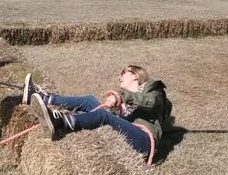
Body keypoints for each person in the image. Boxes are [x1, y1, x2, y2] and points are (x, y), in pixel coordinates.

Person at [22, 65, 172, 157]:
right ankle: (44, 98)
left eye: (123, 73)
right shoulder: (124, 105)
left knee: (101, 115)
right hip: (129, 133)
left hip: (144, 141)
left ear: (135, 75)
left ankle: (59, 122)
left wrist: (121, 96)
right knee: (90, 100)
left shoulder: (154, 90)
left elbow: (150, 102)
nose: (119, 76)